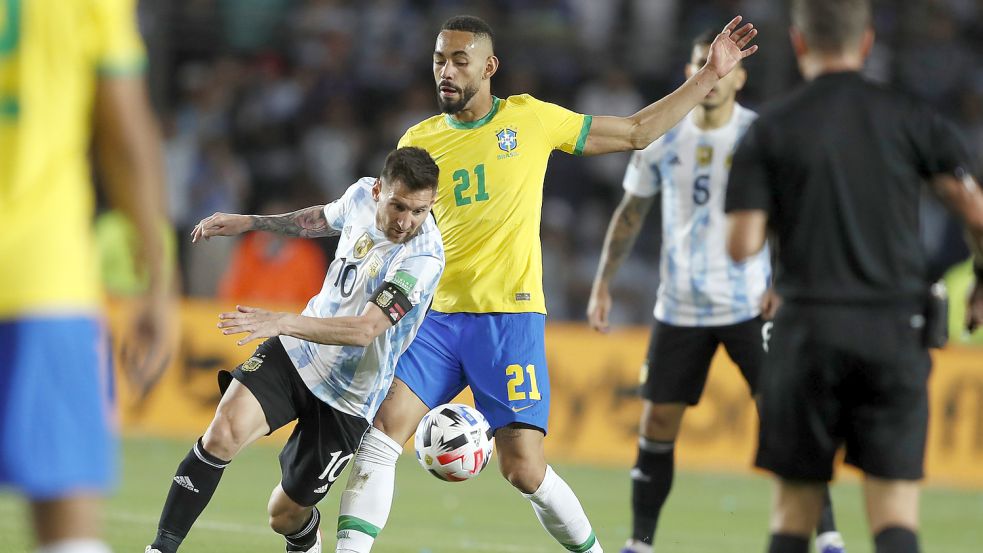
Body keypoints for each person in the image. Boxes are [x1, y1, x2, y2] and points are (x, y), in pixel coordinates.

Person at [334, 14, 758, 553]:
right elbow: (397, 231)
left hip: (509, 321)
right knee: (380, 439)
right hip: (435, 320)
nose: (447, 70)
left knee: (524, 470)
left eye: (460, 61)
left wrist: (708, 76)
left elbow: (635, 132)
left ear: (489, 67)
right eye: (440, 59)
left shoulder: (530, 119)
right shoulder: (419, 140)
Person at [724, 1, 983, 552]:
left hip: (807, 333)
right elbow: (976, 214)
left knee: (794, 512)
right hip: (893, 332)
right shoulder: (909, 117)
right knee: (894, 514)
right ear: (867, 43)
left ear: (798, 43)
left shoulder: (772, 127)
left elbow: (741, 244)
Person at [586, 29, 846, 553]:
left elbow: (793, 218)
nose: (713, 73)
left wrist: (783, 281)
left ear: (741, 76)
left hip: (749, 303)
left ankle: (828, 536)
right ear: (690, 73)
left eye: (722, 65)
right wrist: (602, 284)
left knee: (786, 414)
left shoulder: (762, 134)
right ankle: (641, 543)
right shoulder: (663, 136)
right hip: (680, 305)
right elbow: (631, 212)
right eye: (702, 64)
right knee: (658, 420)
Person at [145, 147, 444, 553]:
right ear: (378, 191)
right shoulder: (358, 196)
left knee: (283, 514)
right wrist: (249, 222)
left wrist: (281, 321)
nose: (406, 221)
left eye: (419, 211)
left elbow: (365, 330)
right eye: (399, 206)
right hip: (298, 353)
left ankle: (304, 540)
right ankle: (160, 548)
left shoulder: (423, 258)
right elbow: (319, 220)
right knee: (223, 431)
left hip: (349, 397)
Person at [0, 1, 176, 552]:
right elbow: (122, 132)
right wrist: (159, 280)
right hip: (40, 275)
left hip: (45, 278)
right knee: (66, 525)